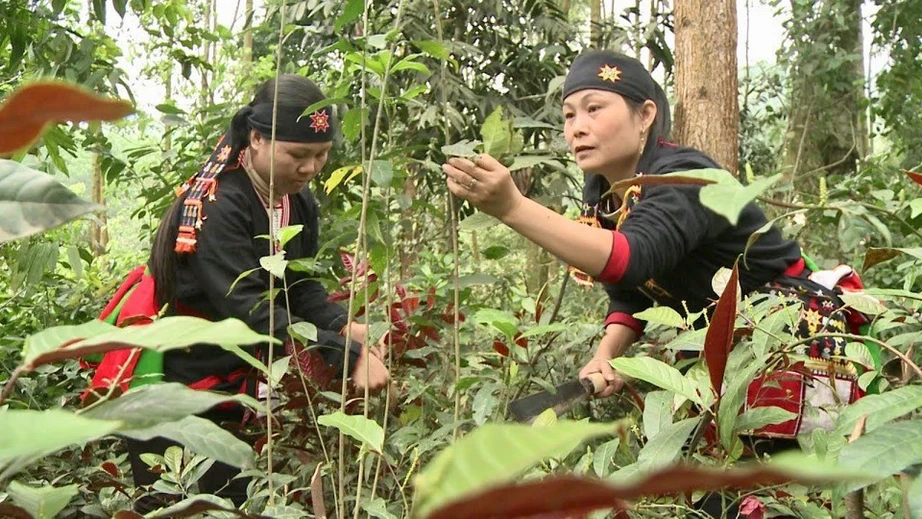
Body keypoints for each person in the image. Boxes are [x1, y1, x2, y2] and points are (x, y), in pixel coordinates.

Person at [443, 50, 869, 443]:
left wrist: (512, 207)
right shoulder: (602, 192)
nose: (577, 127)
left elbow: (632, 259)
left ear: (645, 114)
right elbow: (632, 293)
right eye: (569, 115)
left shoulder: (682, 175)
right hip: (724, 351)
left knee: (791, 481)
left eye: (594, 109)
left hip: (788, 336)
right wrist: (606, 355)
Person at [88, 74, 389, 510]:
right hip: (176, 388)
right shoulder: (219, 203)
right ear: (256, 138)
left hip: (237, 385)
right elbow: (250, 307)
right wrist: (344, 355)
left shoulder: (297, 201)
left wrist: (344, 326)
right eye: (298, 154)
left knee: (232, 500)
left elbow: (299, 289)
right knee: (177, 502)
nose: (310, 168)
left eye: (322, 155)